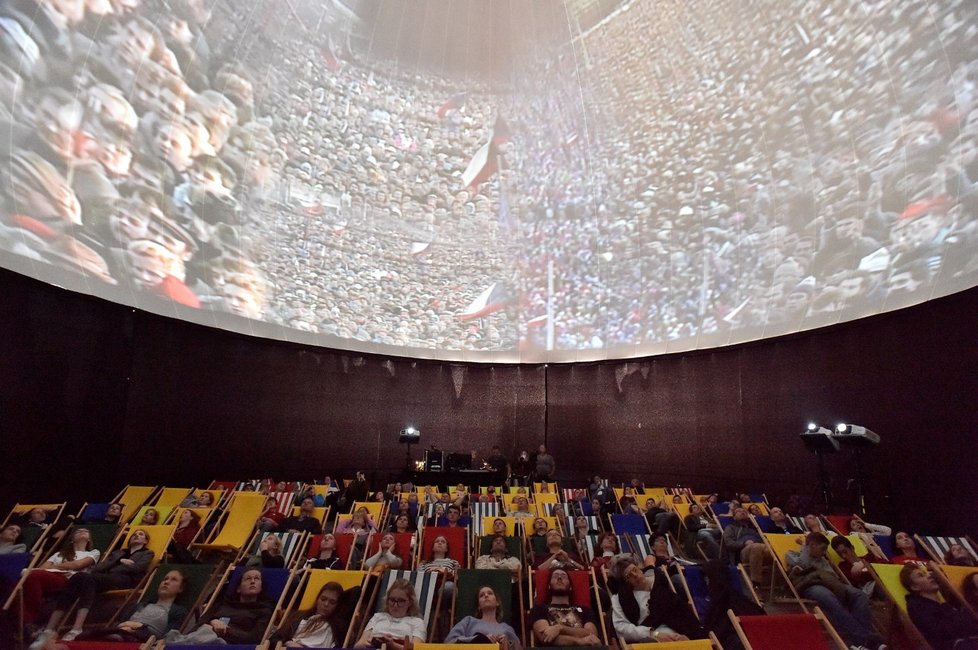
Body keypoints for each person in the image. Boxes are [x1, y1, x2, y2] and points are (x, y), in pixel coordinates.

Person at [35, 529, 154, 643]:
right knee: (78, 577)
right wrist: (121, 561)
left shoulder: (147, 553)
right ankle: (50, 629)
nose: (136, 536)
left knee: (85, 577)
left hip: (123, 579)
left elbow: (138, 568)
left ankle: (75, 628)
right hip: (103, 577)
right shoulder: (119, 552)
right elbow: (98, 567)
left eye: (141, 534)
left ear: (145, 541)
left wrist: (118, 564)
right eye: (134, 534)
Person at [786, 533, 884, 650]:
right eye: (822, 549)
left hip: (831, 584)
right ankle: (867, 641)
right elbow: (802, 563)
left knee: (859, 595)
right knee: (829, 598)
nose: (824, 553)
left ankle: (861, 643)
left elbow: (832, 576)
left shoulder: (823, 560)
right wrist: (804, 546)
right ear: (811, 545)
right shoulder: (792, 554)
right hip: (811, 584)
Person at [71, 568, 191, 643]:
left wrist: (138, 626)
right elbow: (121, 623)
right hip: (123, 632)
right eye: (165, 579)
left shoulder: (178, 611)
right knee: (85, 636)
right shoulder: (139, 605)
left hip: (146, 637)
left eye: (173, 580)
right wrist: (126, 627)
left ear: (180, 588)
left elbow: (168, 637)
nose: (166, 582)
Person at [608, 554, 706, 643]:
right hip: (652, 638)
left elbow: (680, 612)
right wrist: (655, 635)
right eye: (629, 576)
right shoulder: (621, 599)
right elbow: (622, 629)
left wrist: (689, 636)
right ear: (625, 582)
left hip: (681, 634)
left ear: (639, 568)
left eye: (635, 570)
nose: (636, 575)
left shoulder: (659, 585)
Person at [164, 567, 274, 645]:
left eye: (257, 578)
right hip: (202, 637)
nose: (253, 581)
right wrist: (212, 622)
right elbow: (196, 627)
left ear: (261, 587)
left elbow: (254, 639)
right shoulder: (221, 605)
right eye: (248, 578)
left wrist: (224, 630)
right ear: (238, 588)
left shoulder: (263, 610)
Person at [22, 528, 100, 629]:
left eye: (86, 531)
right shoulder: (59, 554)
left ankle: (31, 621)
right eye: (78, 531)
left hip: (70, 579)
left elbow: (77, 565)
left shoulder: (93, 553)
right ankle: (25, 621)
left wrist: (55, 566)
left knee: (33, 576)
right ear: (72, 539)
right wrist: (64, 566)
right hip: (49, 576)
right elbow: (42, 568)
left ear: (89, 539)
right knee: (18, 584)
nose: (82, 532)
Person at [901, 562, 978, 650]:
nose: (929, 576)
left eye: (926, 573)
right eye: (921, 575)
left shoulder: (944, 605)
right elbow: (940, 632)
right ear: (915, 587)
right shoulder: (916, 607)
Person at [529, 568, 601, 647]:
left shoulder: (585, 610)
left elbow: (592, 634)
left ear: (570, 587)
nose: (559, 578)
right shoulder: (540, 608)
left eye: (563, 576)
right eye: (555, 576)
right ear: (549, 586)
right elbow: (545, 637)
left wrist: (560, 628)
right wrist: (580, 641)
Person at [271, 581, 350, 648]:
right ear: (317, 599)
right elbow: (274, 639)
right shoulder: (298, 616)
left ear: (338, 605)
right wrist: (286, 643)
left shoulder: (338, 626)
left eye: (332, 602)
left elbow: (356, 591)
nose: (326, 604)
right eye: (323, 599)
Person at [354, 578, 426, 650]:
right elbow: (358, 646)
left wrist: (392, 646)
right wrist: (368, 644)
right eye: (392, 600)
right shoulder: (377, 617)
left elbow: (417, 648)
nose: (395, 605)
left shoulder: (417, 623)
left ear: (410, 602)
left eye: (401, 601)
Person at [445, 585, 521, 650]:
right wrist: (478, 639)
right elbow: (449, 641)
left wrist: (509, 644)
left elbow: (519, 648)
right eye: (481, 595)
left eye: (490, 593)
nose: (486, 595)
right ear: (479, 606)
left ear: (497, 602)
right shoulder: (469, 621)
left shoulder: (507, 628)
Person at [721, 507, 767, 586]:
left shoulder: (756, 527)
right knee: (756, 547)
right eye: (738, 511)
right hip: (743, 552)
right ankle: (756, 582)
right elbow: (729, 543)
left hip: (763, 549)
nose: (742, 512)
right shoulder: (730, 528)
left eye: (744, 511)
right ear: (734, 517)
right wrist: (744, 543)